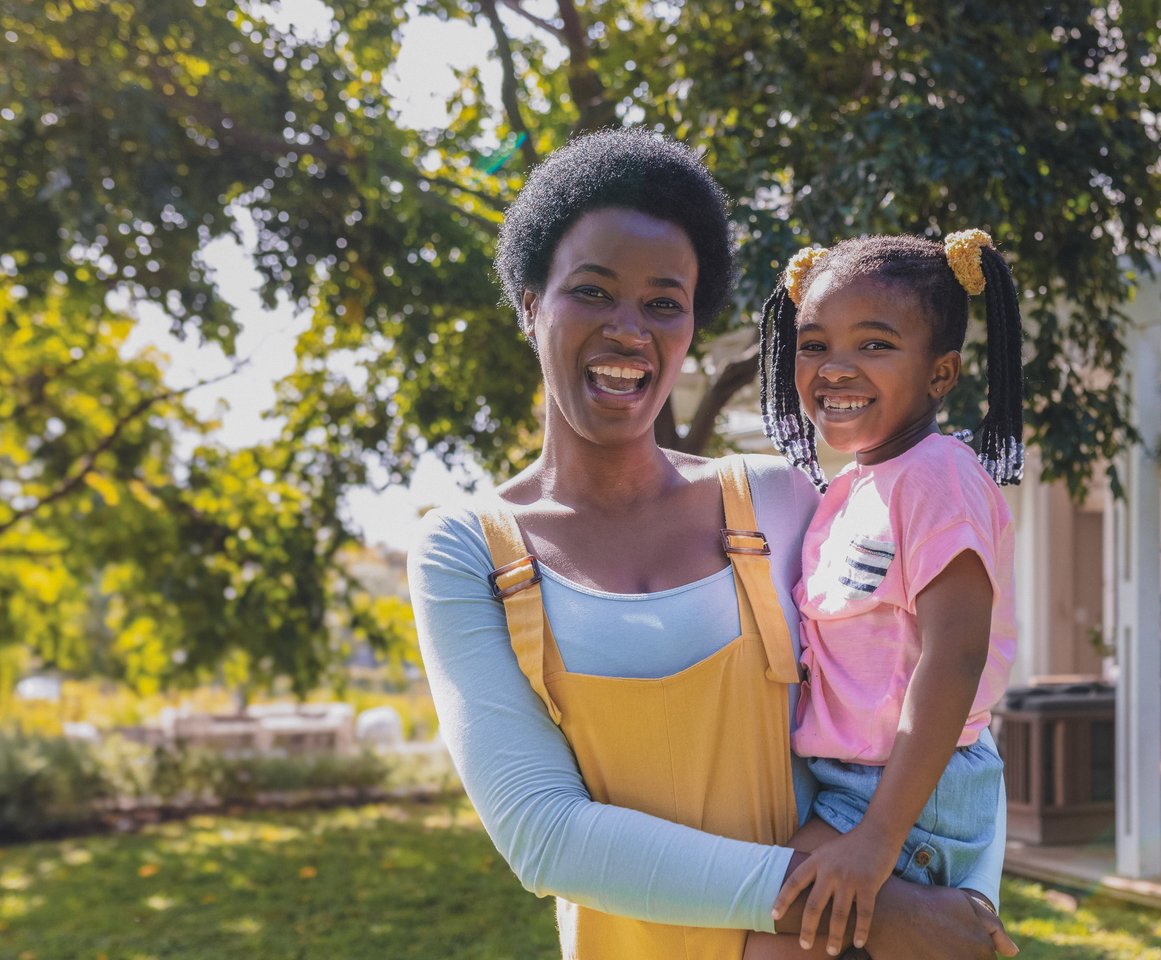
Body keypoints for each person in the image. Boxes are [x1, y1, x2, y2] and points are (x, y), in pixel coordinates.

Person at [408, 128, 1017, 960]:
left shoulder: (777, 500)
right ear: (529, 302)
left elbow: (939, 695)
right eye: (592, 292)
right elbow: (544, 836)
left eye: (665, 302)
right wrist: (878, 908)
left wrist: (964, 895)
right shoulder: (468, 552)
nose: (630, 330)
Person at [745, 232, 1024, 958]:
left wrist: (876, 839)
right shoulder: (849, 490)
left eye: (874, 345)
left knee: (770, 935)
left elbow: (956, 657)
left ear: (941, 374)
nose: (835, 367)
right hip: (858, 783)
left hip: (900, 795)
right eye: (813, 345)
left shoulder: (937, 478)